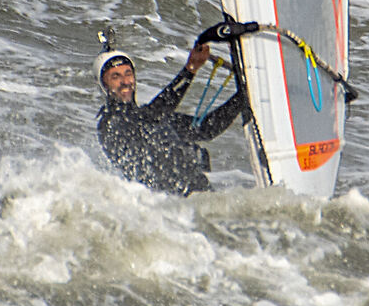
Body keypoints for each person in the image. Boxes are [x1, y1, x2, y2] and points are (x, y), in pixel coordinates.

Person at [94, 23, 252, 194]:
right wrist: (190, 69)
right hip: (167, 208)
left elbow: (207, 129)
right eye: (115, 77)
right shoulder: (110, 124)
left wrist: (245, 95)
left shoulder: (156, 118)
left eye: (128, 73)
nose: (125, 81)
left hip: (201, 201)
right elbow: (152, 114)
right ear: (104, 84)